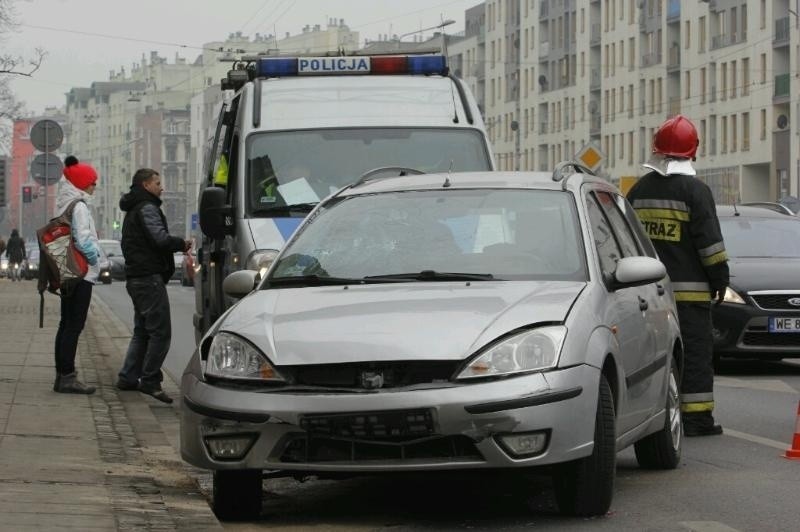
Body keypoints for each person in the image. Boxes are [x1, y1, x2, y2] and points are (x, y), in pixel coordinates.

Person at [626, 115, 729, 437]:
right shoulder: (695, 191)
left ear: (657, 149)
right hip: (690, 298)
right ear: (692, 151)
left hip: (648, 295)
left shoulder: (638, 191)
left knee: (655, 358)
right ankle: (697, 420)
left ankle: (654, 418)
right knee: (696, 356)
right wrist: (720, 280)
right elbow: (710, 245)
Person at [116, 168, 191, 403]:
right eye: (158, 183)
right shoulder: (147, 208)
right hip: (148, 278)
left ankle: (128, 377)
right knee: (160, 333)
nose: (162, 187)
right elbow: (159, 238)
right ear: (146, 185)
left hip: (137, 277)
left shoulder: (134, 207)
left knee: (142, 331)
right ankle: (150, 380)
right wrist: (182, 243)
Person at [53, 156, 102, 394]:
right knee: (75, 325)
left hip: (66, 272)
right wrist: (95, 260)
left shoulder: (63, 203)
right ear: (82, 183)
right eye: (92, 182)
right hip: (80, 273)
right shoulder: (79, 207)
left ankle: (62, 374)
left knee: (65, 323)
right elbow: (83, 240)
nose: (95, 186)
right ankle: (68, 377)